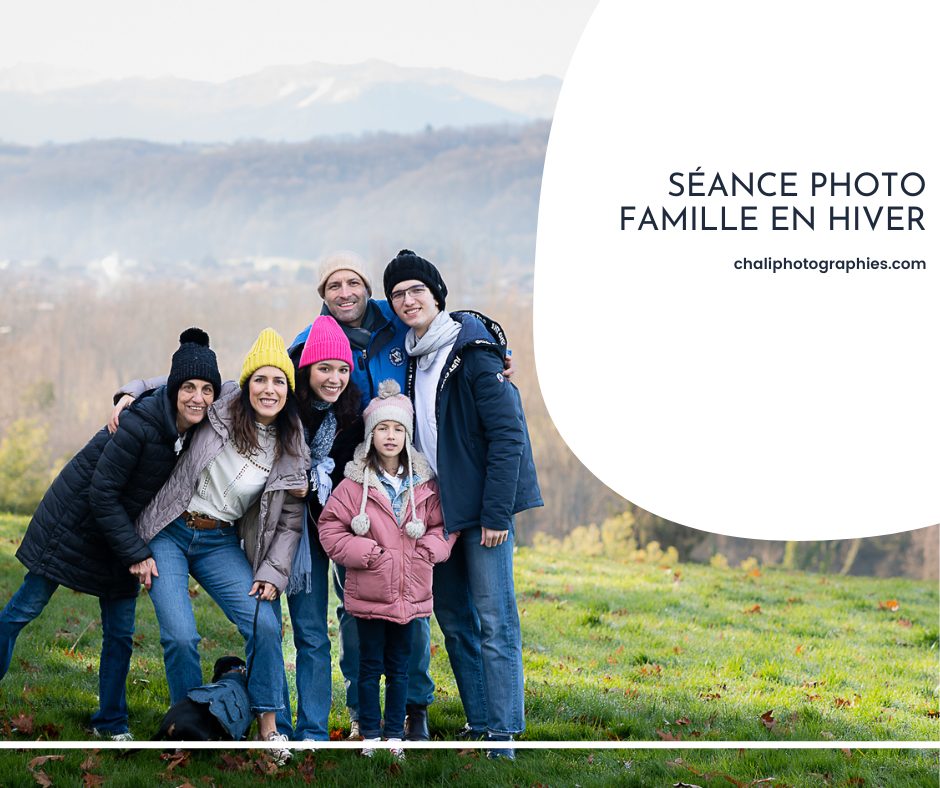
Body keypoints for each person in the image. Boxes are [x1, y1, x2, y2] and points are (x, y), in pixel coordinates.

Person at [290, 251, 513, 740]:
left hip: (403, 481)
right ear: (322, 294)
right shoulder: (311, 341)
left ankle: (414, 704)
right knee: (356, 607)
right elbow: (256, 385)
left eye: (353, 282)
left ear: (367, 288)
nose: (345, 293)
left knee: (412, 605)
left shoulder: (394, 316)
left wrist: (494, 339)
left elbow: (449, 320)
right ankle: (362, 705)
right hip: (347, 488)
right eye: (333, 285)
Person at [0, 328, 221, 740]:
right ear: (174, 389)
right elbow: (101, 495)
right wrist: (137, 552)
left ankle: (111, 722)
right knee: (21, 612)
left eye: (207, 389)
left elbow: (235, 385)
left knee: (120, 633)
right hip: (75, 523)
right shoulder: (137, 425)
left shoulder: (190, 424)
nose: (198, 397)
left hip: (121, 533)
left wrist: (132, 387)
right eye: (188, 387)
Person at [383, 249, 543, 760]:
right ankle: (479, 721)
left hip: (482, 513)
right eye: (398, 294)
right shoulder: (412, 355)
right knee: (454, 618)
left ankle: (505, 736)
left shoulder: (471, 350)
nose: (407, 300)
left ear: (437, 297)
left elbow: (507, 436)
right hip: (438, 512)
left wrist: (497, 513)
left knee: (496, 620)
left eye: (416, 291)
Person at [121, 327, 308, 762]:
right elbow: (166, 384)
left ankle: (268, 727)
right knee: (182, 636)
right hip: (169, 530)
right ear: (246, 384)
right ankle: (187, 724)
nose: (268, 388)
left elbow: (291, 521)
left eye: (278, 381)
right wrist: (127, 395)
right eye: (260, 379)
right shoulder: (221, 403)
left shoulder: (292, 446)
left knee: (263, 622)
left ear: (287, 389)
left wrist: (271, 572)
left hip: (219, 540)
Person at [318, 380, 454, 759]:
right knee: (367, 667)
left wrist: (432, 547)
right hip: (368, 594)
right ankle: (370, 735)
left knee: (400, 669)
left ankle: (395, 735)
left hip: (410, 595)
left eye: (397, 429)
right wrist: (365, 551)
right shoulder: (354, 483)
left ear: (408, 435)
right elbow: (330, 527)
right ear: (370, 434)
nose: (390, 436)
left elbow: (444, 526)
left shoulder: (425, 486)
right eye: (382, 428)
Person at [281, 314, 363, 741]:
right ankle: (276, 726)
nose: (334, 378)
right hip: (282, 529)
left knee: (317, 633)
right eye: (325, 368)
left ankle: (311, 731)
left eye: (343, 369)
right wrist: (132, 392)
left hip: (332, 526)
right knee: (283, 628)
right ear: (306, 369)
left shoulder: (351, 415)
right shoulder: (283, 405)